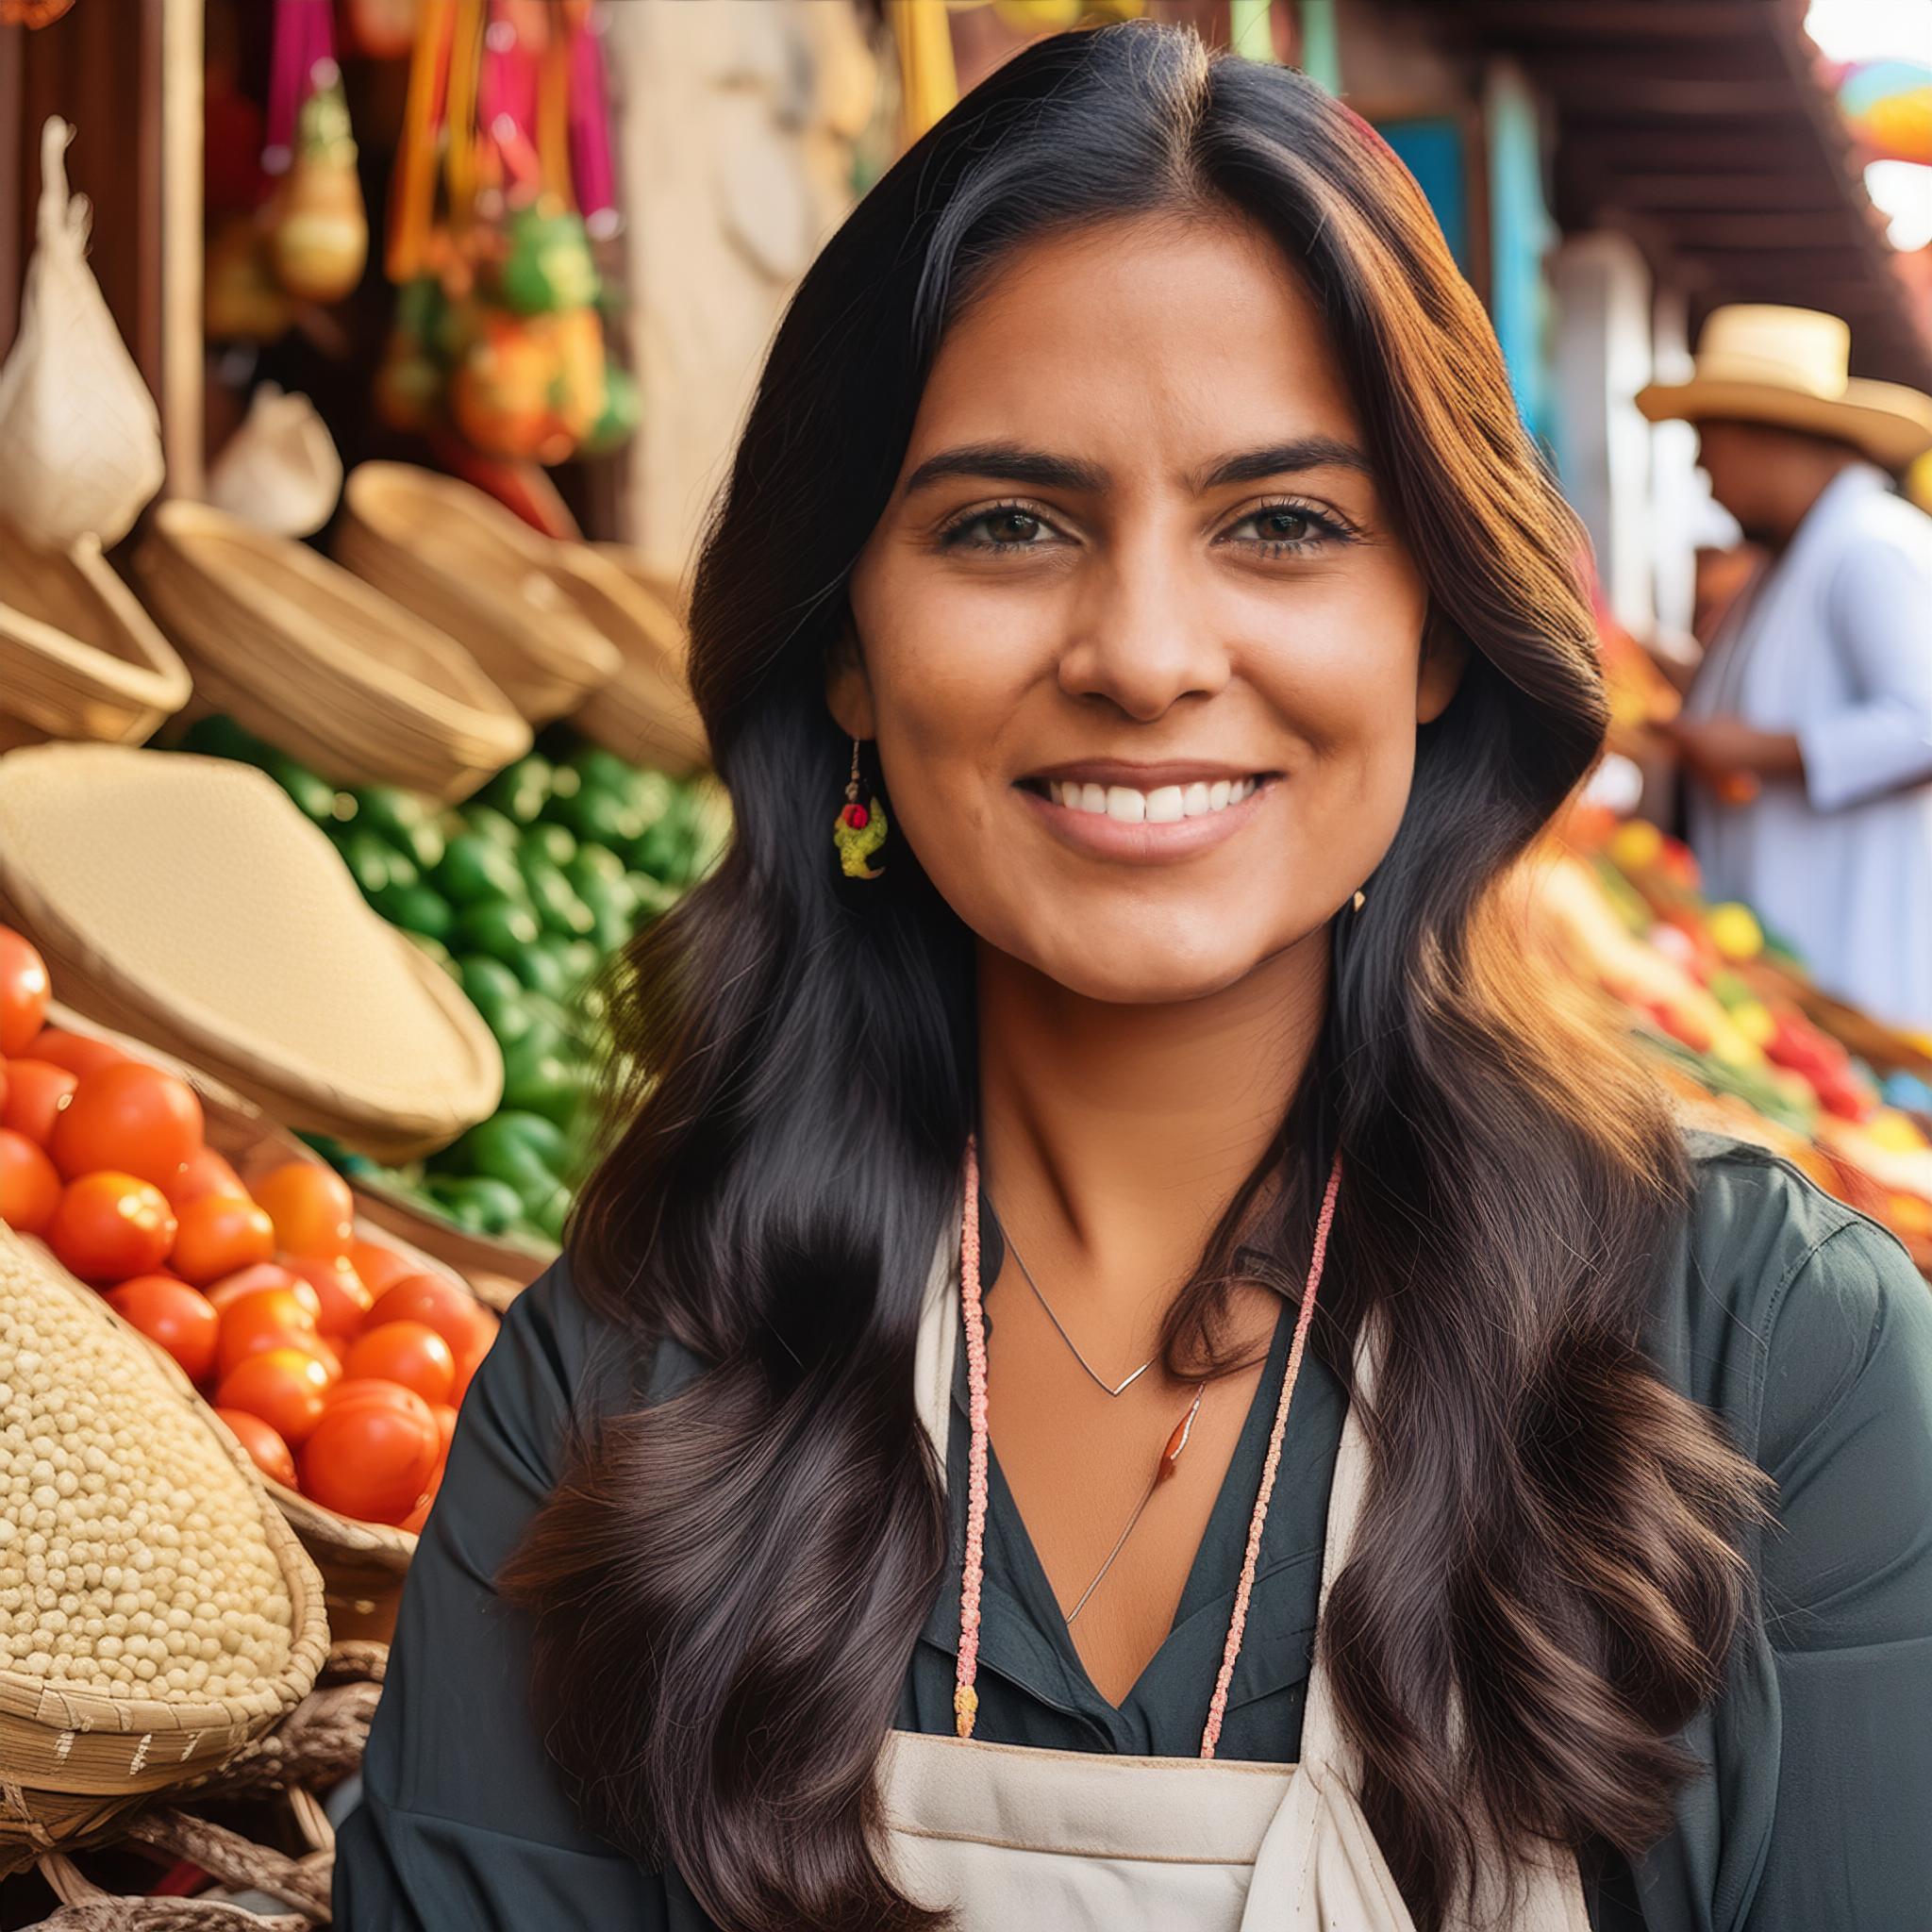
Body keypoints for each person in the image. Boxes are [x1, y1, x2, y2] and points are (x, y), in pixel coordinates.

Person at [332, 25, 1932, 1932]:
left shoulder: (1774, 1364)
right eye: (1007, 523)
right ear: (846, 641)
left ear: (1434, 631)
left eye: (1283, 525)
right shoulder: (627, 1378)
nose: (1147, 650)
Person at [1637, 305, 1932, 1032]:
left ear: (1761, 433)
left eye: (1706, 440)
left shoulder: (1869, 547)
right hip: (1795, 975)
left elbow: (1923, 726)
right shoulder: (1792, 561)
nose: (1701, 469)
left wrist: (1753, 751)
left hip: (1858, 977)